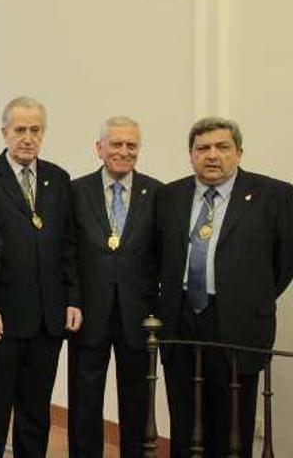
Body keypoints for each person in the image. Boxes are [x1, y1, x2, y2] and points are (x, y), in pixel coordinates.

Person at [156, 117, 293, 457]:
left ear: (239, 152)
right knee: (184, 418)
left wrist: (244, 295)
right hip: (181, 319)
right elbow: (158, 256)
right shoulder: (169, 196)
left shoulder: (274, 196)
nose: (212, 155)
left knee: (233, 424)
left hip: (238, 322)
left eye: (222, 147)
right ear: (191, 155)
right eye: (203, 148)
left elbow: (284, 263)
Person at [0, 96, 81, 458]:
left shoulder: (59, 179)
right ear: (4, 132)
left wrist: (73, 298)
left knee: (35, 411)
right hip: (2, 317)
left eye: (34, 130)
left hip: (48, 318)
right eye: (19, 130)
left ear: (42, 133)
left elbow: (69, 245)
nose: (27, 137)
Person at [67, 116, 161, 457]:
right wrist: (72, 300)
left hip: (138, 314)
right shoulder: (76, 191)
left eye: (131, 145)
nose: (123, 151)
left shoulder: (157, 192)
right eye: (116, 144)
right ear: (99, 148)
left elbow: (162, 254)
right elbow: (68, 252)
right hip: (88, 312)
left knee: (137, 399)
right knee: (84, 397)